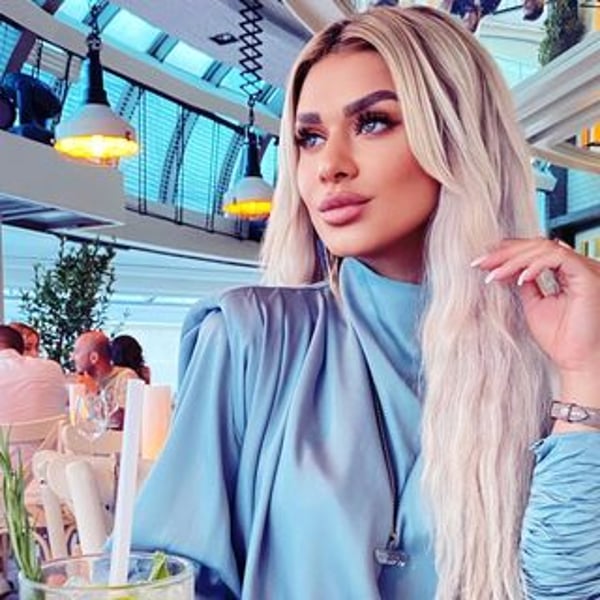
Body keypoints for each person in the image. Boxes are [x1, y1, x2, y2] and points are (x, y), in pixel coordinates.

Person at [130, 6, 600, 599]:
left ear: (457, 137)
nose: (329, 166)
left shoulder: (548, 354)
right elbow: (163, 581)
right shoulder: (249, 338)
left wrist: (586, 373)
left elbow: (565, 591)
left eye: (373, 122)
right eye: (309, 138)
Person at [71, 331, 140, 429]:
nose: (72, 357)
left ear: (94, 358)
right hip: (89, 437)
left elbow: (121, 422)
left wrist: (95, 393)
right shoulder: (79, 383)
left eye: (77, 352)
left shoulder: (125, 377)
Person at [0, 324, 67, 422]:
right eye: (27, 348)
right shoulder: (53, 368)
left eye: (37, 348)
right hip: (50, 431)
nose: (34, 354)